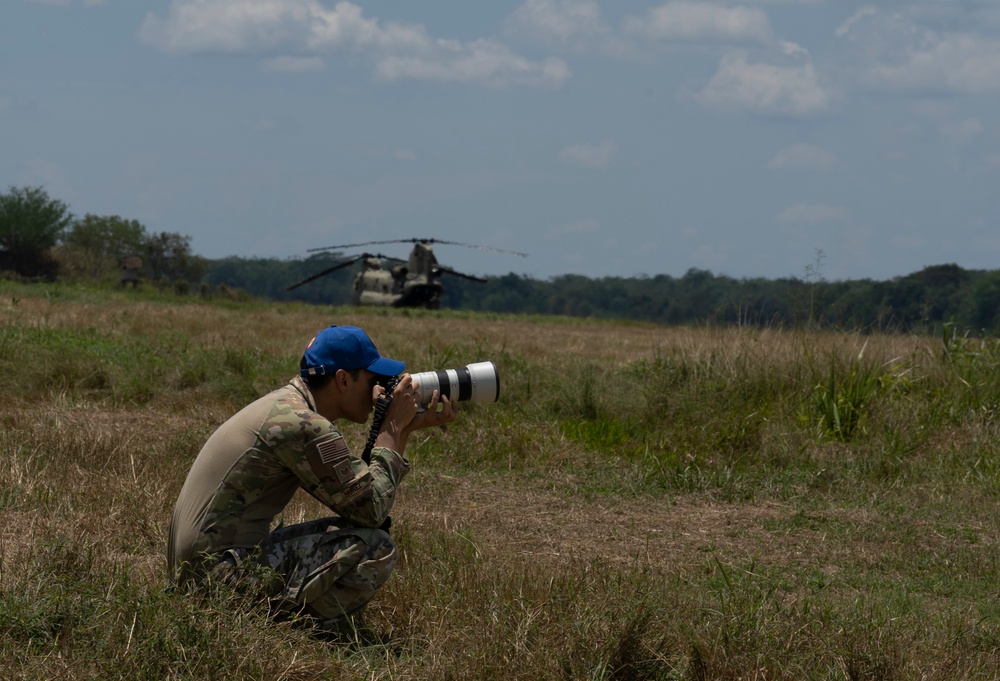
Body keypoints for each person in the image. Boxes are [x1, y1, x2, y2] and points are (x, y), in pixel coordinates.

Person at [167, 324, 456, 629]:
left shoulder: (284, 406)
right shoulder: (303, 425)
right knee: (374, 547)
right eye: (374, 379)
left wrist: (402, 429)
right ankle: (293, 630)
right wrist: (392, 430)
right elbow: (371, 511)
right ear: (343, 380)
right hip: (215, 581)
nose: (381, 389)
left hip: (201, 571)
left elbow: (360, 497)